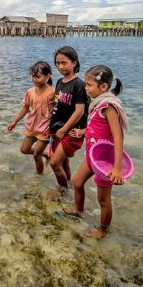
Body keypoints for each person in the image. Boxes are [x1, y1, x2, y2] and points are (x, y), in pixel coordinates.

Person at [65, 65, 128, 239]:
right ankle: (79, 211)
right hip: (92, 156)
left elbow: (118, 137)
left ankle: (103, 230)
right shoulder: (97, 104)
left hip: (104, 162)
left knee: (103, 200)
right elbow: (97, 126)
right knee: (77, 182)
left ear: (103, 87)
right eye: (85, 84)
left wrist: (117, 168)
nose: (86, 88)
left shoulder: (108, 106)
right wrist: (82, 132)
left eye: (89, 85)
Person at [48, 46, 88, 191]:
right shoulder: (59, 82)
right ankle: (68, 186)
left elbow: (79, 111)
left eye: (64, 62)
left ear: (74, 63)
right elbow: (59, 102)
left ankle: (63, 192)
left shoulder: (79, 85)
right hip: (57, 128)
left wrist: (64, 129)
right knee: (63, 163)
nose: (60, 66)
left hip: (71, 131)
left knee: (54, 163)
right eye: (57, 63)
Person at [7, 61, 54, 174]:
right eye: (33, 76)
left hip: (45, 129)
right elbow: (25, 108)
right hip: (32, 127)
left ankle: (39, 178)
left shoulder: (53, 92)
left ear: (48, 76)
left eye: (37, 77)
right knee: (24, 150)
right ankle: (46, 154)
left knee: (36, 155)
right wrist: (15, 122)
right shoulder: (30, 92)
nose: (34, 79)